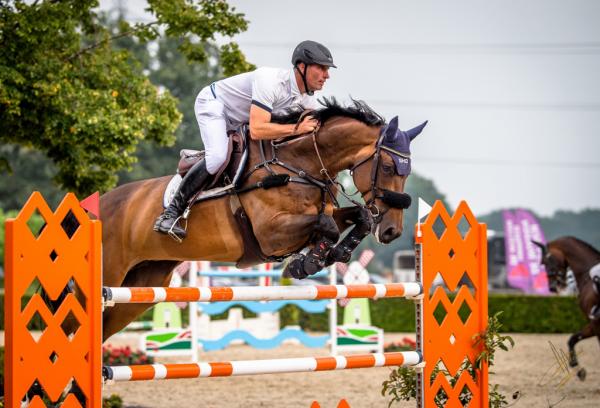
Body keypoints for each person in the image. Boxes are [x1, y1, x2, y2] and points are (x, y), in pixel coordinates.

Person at [154, 40, 336, 240]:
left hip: (240, 121)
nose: (326, 75)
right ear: (302, 67)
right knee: (217, 157)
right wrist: (296, 128)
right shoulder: (270, 80)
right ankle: (170, 213)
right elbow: (257, 130)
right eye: (321, 68)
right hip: (215, 105)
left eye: (327, 70)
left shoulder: (307, 101)